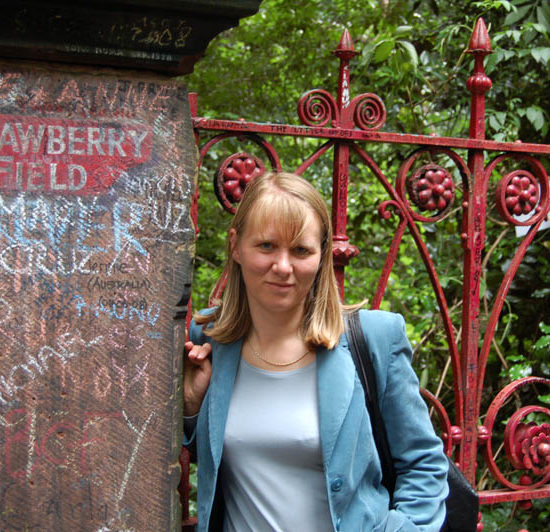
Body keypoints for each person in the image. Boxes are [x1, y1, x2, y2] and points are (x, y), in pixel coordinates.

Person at [183, 171, 448, 532]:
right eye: (266, 246)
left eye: (301, 250)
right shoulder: (209, 338)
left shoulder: (372, 338)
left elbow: (423, 463)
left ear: (321, 255)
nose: (283, 266)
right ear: (235, 245)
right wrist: (192, 411)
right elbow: (216, 462)